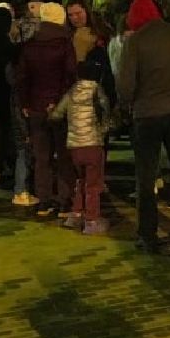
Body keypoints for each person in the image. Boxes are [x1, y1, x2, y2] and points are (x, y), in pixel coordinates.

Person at [118, 0, 170, 253]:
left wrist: (128, 104)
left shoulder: (135, 42)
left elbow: (125, 86)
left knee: (146, 176)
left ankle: (148, 234)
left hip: (146, 115)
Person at [15, 1, 79, 217]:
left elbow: (22, 76)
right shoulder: (65, 42)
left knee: (41, 156)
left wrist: (25, 102)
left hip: (35, 105)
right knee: (63, 154)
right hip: (59, 107)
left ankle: (44, 200)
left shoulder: (30, 43)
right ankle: (65, 200)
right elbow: (70, 74)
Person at [56, 53, 112, 234]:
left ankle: (76, 214)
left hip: (74, 145)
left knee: (80, 180)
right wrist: (103, 131)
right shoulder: (97, 90)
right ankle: (92, 220)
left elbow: (57, 114)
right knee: (93, 184)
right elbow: (106, 112)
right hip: (93, 144)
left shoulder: (72, 91)